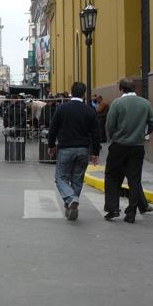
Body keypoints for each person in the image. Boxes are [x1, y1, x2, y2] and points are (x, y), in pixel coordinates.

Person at [104, 79, 153, 223]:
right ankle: (131, 213)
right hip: (137, 146)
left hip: (119, 145)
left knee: (112, 176)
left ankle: (113, 208)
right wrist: (143, 133)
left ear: (121, 88)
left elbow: (110, 125)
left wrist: (113, 137)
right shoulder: (145, 103)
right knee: (134, 179)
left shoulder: (117, 103)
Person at [48, 82, 101, 221]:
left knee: (60, 177)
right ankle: (72, 204)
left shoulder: (62, 108)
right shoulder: (89, 110)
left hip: (65, 148)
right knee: (77, 179)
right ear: (84, 94)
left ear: (71, 92)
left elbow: (53, 128)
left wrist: (51, 145)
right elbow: (96, 133)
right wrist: (95, 153)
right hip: (83, 149)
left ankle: (71, 199)